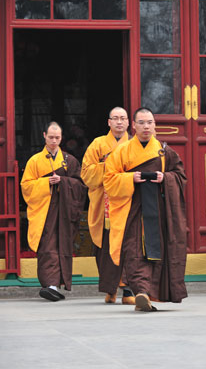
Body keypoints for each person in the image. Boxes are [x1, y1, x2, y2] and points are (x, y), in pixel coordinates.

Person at [103, 107, 188, 312]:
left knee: (156, 250)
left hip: (158, 211)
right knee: (133, 249)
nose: (146, 126)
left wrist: (164, 178)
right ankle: (140, 291)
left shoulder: (164, 151)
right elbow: (109, 179)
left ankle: (149, 294)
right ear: (134, 125)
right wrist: (130, 178)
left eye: (150, 122)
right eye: (141, 122)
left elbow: (180, 177)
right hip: (133, 208)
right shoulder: (122, 151)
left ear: (155, 125)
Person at [21, 122, 87, 301]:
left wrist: (64, 182)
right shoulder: (34, 161)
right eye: (51, 137)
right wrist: (45, 183)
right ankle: (49, 284)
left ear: (61, 138)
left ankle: (55, 285)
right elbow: (26, 187)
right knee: (47, 247)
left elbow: (81, 185)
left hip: (64, 210)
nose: (54, 141)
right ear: (44, 135)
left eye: (57, 138)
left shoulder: (69, 160)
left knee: (61, 245)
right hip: (44, 211)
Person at [81, 107, 133, 305]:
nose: (119, 122)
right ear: (108, 122)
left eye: (123, 118)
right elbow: (86, 174)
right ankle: (111, 290)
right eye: (115, 118)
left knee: (129, 246)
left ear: (129, 123)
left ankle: (128, 289)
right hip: (105, 206)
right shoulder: (98, 144)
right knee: (105, 249)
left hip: (129, 203)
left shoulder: (135, 145)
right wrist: (109, 165)